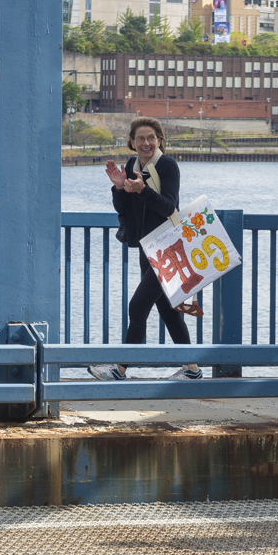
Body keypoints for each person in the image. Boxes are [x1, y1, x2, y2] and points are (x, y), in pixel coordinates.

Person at [88, 117, 202, 381]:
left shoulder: (167, 166)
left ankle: (119, 369)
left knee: (138, 306)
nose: (146, 143)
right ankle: (192, 370)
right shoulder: (132, 165)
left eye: (151, 137)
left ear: (160, 140)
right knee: (168, 311)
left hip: (168, 250)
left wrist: (143, 190)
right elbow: (125, 209)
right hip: (146, 248)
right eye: (140, 138)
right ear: (132, 141)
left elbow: (169, 207)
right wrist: (119, 188)